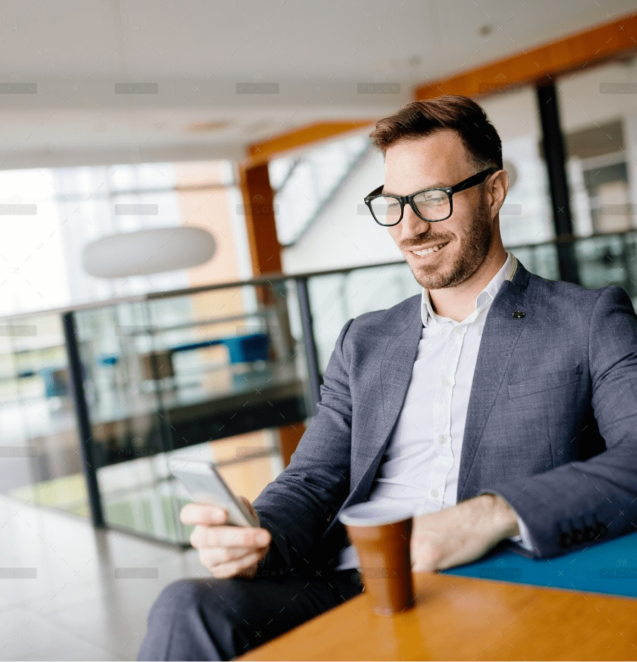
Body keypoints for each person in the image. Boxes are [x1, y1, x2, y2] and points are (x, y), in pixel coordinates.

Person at [138, 95, 637, 661]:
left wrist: (489, 513)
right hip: (349, 583)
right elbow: (312, 481)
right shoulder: (365, 339)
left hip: (485, 583)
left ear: (493, 192)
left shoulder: (588, 319)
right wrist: (256, 533)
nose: (411, 227)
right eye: (394, 204)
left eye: (433, 198)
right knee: (187, 605)